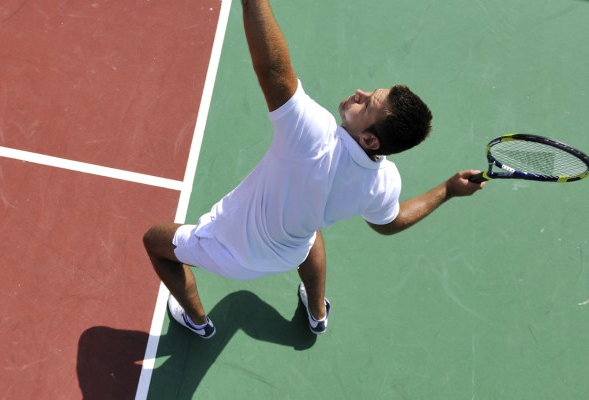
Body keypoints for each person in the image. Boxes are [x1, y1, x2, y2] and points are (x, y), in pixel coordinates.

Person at [143, 0, 485, 339]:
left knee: (155, 241)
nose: (360, 93)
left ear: (369, 140)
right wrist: (447, 191)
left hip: (229, 251)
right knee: (311, 235)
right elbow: (390, 223)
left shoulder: (313, 136)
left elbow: (273, 71)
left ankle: (197, 321)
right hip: (288, 251)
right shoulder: (384, 182)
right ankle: (317, 311)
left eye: (366, 104)